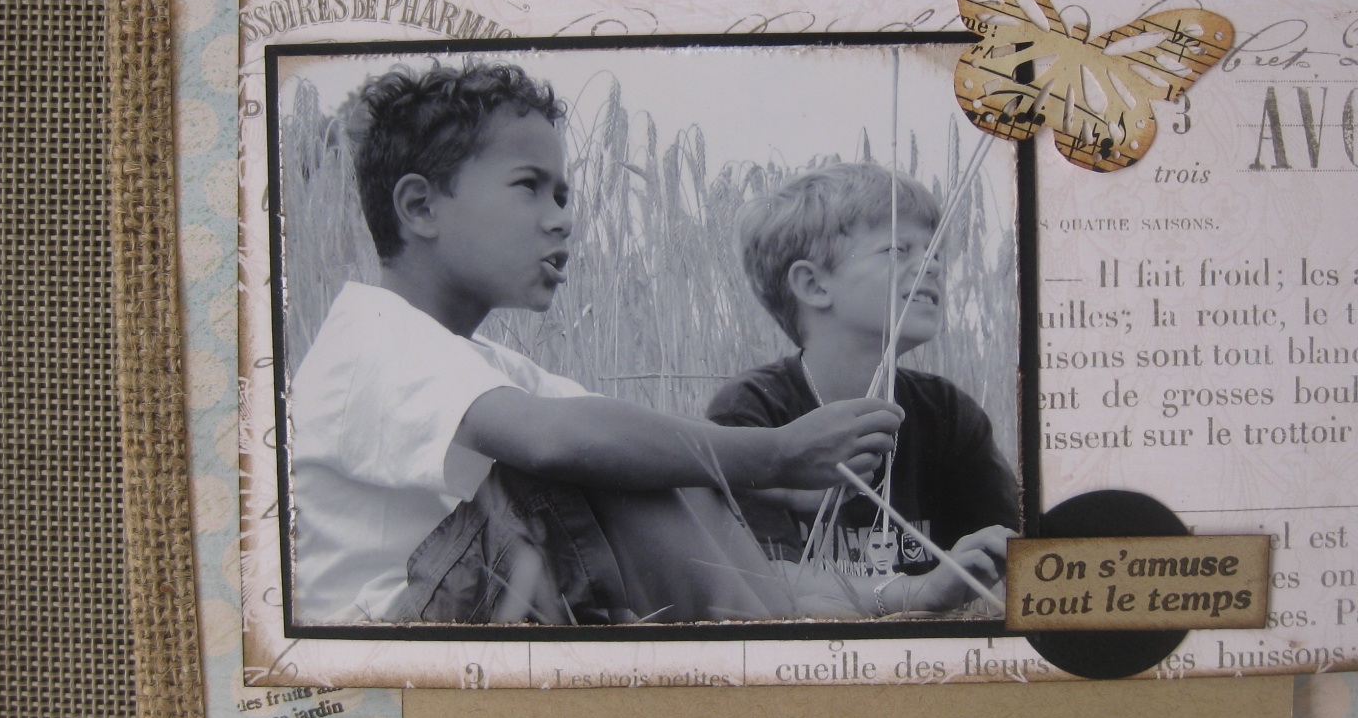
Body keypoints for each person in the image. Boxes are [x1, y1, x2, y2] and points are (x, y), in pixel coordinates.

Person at [286, 61, 997, 626]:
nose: (562, 220)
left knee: (659, 460)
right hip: (388, 640)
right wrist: (772, 455)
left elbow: (651, 460)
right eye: (530, 187)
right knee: (614, 458)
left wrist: (906, 591)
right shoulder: (373, 336)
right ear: (420, 207)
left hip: (463, 606)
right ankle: (772, 657)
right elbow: (564, 443)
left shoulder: (487, 367)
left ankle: (786, 639)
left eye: (563, 196)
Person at [708, 161, 1021, 608]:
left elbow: (1013, 545)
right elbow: (764, 578)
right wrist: (917, 593)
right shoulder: (752, 410)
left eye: (934, 251)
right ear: (813, 284)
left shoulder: (947, 411)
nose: (931, 265)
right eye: (898, 249)